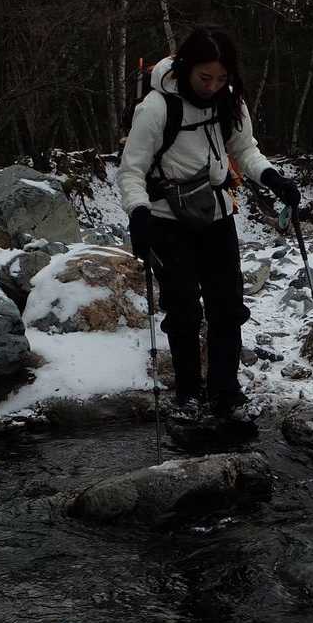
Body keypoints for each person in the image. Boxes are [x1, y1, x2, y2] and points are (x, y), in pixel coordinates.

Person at [120, 26, 300, 423]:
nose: (213, 86)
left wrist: (273, 179)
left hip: (217, 216)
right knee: (183, 309)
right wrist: (138, 213)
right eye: (205, 77)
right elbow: (131, 170)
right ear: (187, 68)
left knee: (228, 307)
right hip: (167, 220)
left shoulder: (229, 100)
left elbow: (244, 149)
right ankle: (187, 393)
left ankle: (225, 391)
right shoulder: (157, 108)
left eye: (221, 78)